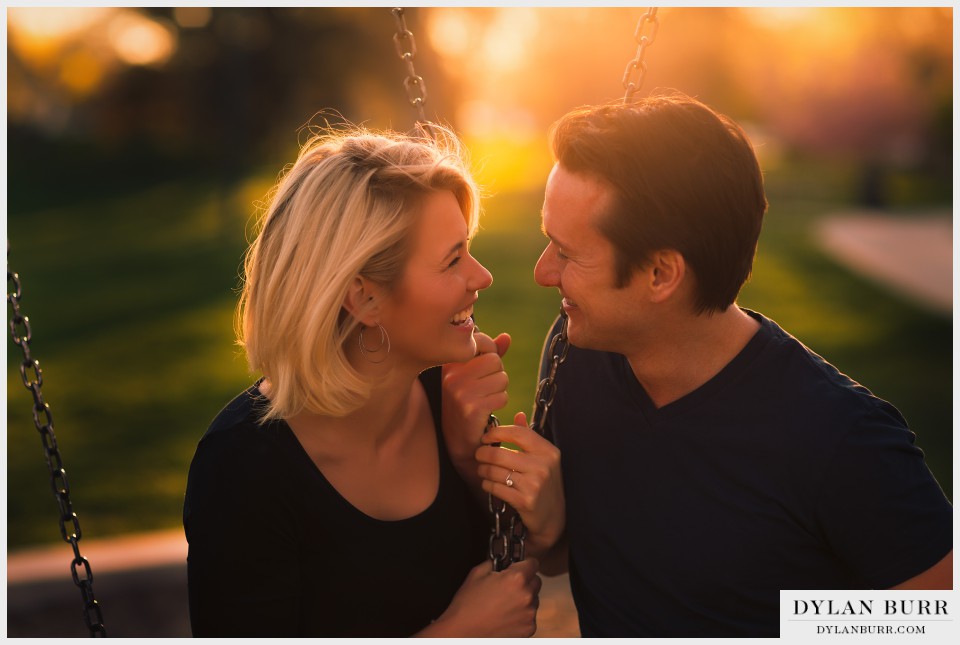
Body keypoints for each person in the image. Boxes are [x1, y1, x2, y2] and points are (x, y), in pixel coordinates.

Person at [445, 91, 953, 637]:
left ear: (662, 274)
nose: (544, 272)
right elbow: (575, 557)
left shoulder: (841, 439)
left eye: (568, 252)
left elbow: (935, 621)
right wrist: (547, 522)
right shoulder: (577, 356)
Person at [182, 125, 542, 637]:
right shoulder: (242, 470)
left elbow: (514, 564)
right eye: (452, 260)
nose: (481, 276)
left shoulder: (448, 399)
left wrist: (470, 461)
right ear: (364, 298)